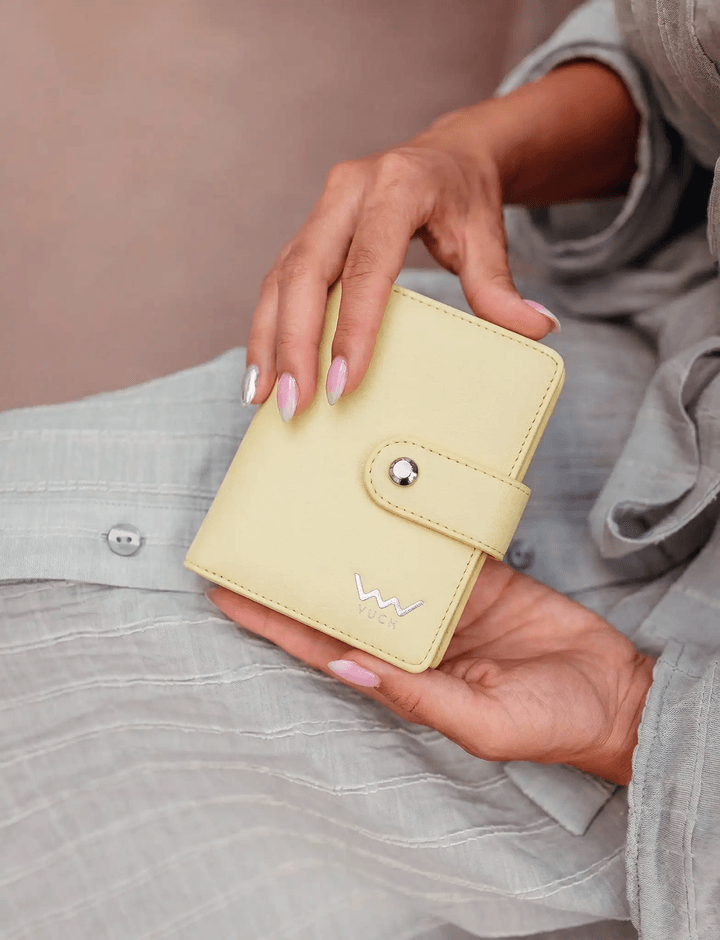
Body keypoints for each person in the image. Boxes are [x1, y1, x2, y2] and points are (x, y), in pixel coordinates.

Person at [1, 0, 718, 936]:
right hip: (604, 386)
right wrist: (472, 148)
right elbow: (680, 80)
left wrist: (635, 721)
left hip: (645, 791)